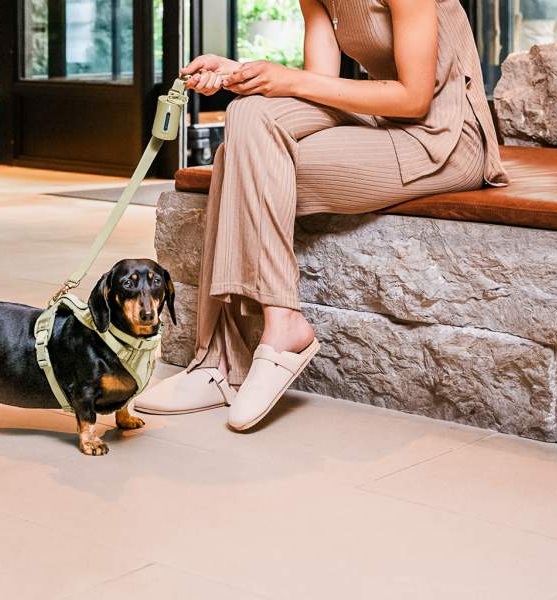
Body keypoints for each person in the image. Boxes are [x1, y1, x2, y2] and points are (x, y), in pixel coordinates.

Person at [135, 0, 508, 430]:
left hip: (443, 137)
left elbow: (414, 97)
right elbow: (319, 82)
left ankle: (228, 359)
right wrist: (243, 74)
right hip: (383, 119)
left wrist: (287, 78)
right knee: (248, 114)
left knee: (239, 160)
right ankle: (259, 336)